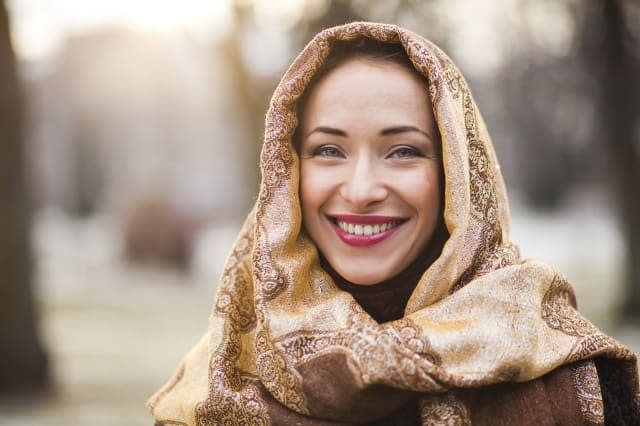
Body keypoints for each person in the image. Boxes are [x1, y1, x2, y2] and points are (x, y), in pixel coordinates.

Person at [148, 22, 640, 425]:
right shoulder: (225, 374)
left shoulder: (562, 367)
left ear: (455, 175)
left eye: (403, 151)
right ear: (287, 172)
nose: (361, 190)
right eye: (328, 151)